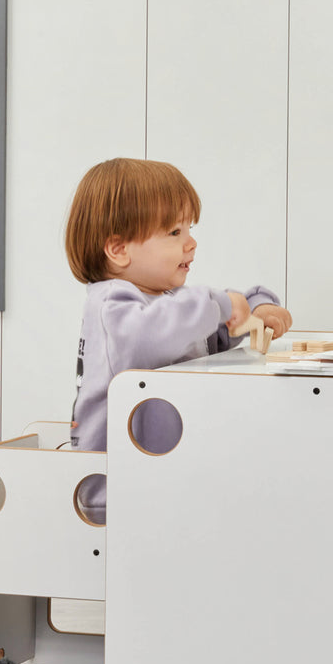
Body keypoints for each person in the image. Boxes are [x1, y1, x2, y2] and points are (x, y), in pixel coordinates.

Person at [65, 158, 292, 521]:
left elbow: (204, 337)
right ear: (119, 249)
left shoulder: (165, 306)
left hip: (161, 482)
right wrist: (220, 303)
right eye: (174, 233)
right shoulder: (111, 305)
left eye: (189, 229)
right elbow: (159, 333)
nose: (191, 243)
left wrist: (254, 308)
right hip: (115, 493)